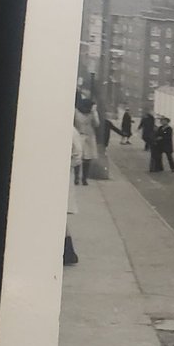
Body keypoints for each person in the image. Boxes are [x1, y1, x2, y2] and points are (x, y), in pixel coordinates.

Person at [65, 125, 82, 266]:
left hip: (62, 179)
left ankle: (68, 253)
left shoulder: (71, 131)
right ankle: (68, 253)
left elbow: (77, 157)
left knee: (58, 215)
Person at [73, 94, 98, 186]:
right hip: (88, 137)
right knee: (86, 159)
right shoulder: (91, 113)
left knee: (78, 157)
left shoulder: (76, 111)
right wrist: (94, 112)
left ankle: (77, 177)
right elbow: (97, 124)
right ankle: (84, 179)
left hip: (79, 136)